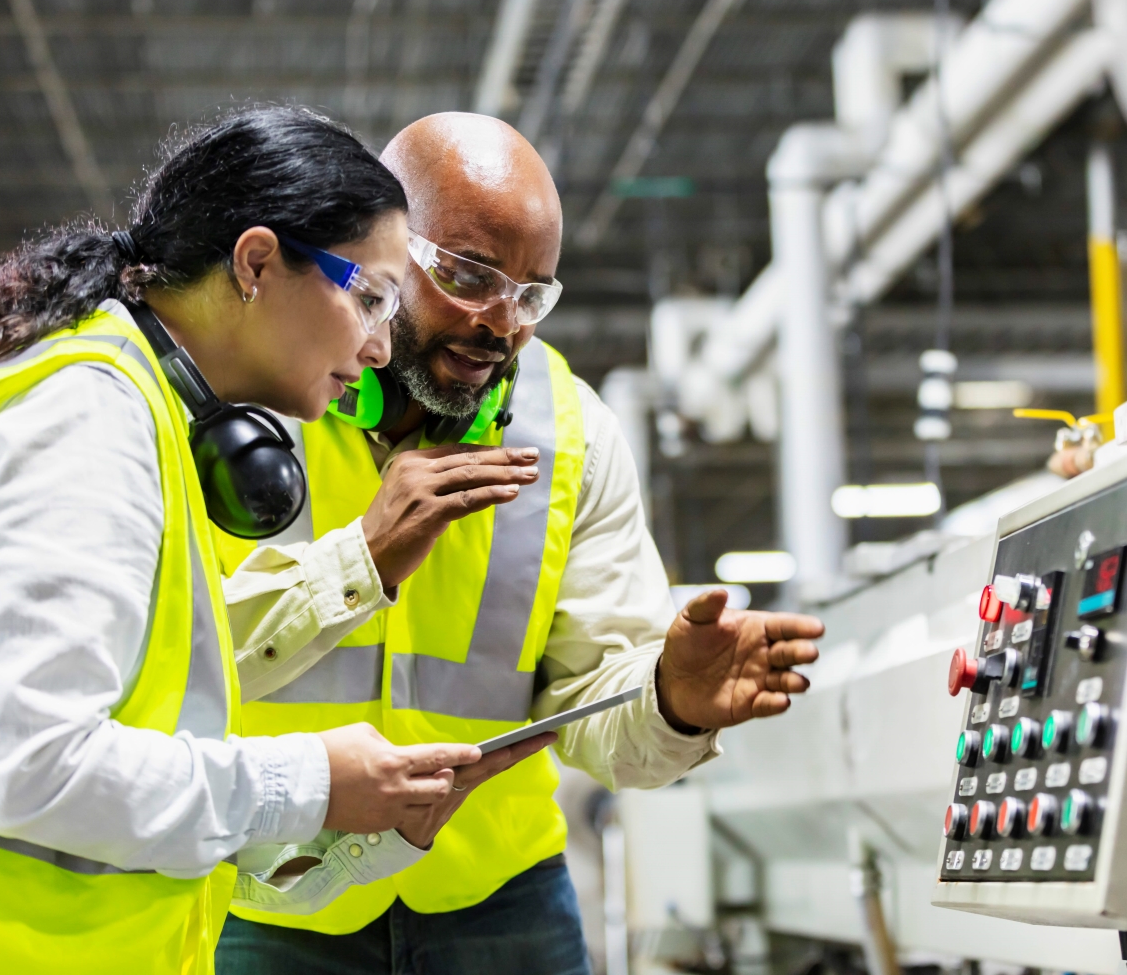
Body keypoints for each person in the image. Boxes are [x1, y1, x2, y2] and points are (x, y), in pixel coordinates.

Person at [0, 107, 552, 975]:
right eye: (366, 297)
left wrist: (361, 824)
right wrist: (312, 780)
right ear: (255, 264)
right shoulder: (86, 422)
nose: (374, 344)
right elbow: (37, 771)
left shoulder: (149, 419)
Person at [213, 112, 825, 974]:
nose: (502, 323)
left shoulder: (572, 435)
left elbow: (595, 706)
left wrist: (667, 696)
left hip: (498, 900)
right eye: (469, 275)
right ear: (385, 250)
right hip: (266, 883)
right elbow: (172, 655)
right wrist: (359, 561)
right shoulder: (249, 399)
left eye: (532, 292)